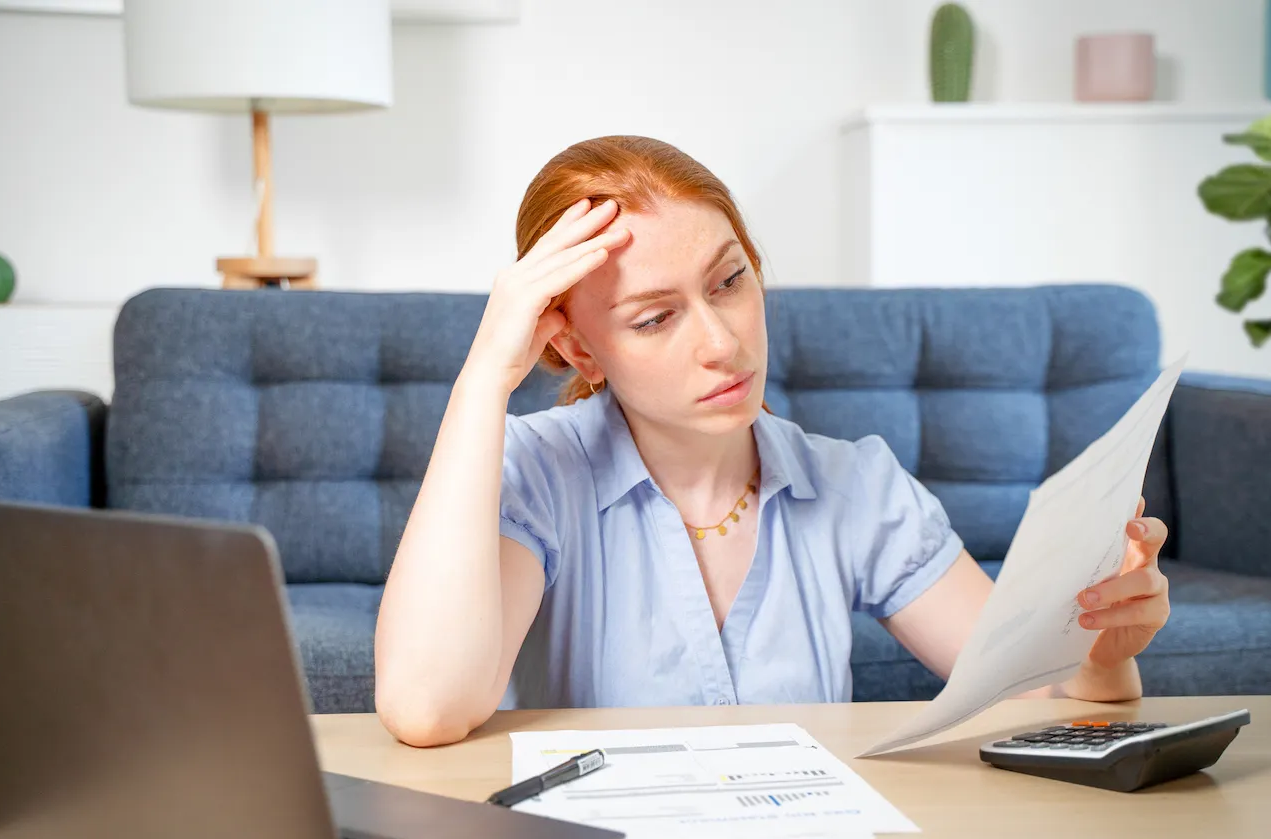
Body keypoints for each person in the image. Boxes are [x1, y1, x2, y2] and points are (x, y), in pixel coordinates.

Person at [374, 135, 1171, 748]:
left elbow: (1036, 696)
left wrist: (1103, 652)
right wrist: (484, 377)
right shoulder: (537, 471)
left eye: (729, 281)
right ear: (581, 350)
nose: (722, 342)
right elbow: (427, 707)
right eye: (654, 318)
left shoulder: (856, 484)